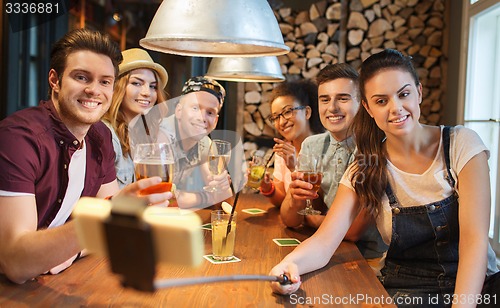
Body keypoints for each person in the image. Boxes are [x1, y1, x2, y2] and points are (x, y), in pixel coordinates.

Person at [270, 49, 499, 306]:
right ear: (367, 107)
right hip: (408, 289)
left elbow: (474, 242)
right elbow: (324, 242)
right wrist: (288, 264)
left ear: (419, 92)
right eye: (381, 101)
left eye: (403, 94)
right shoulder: (366, 165)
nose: (396, 108)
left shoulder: (460, 144)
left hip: (478, 286)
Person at [0, 29, 171, 284]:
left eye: (105, 81)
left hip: (47, 283)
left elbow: (114, 230)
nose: (94, 90)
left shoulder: (99, 136)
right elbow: (15, 261)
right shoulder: (18, 138)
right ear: (54, 80)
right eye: (82, 77)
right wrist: (107, 217)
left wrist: (73, 249)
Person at [280, 63, 360, 230]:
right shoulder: (312, 145)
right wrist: (295, 199)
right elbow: (289, 220)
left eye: (343, 98)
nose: (332, 108)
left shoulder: (372, 149)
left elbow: (353, 231)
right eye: (325, 100)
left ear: (361, 103)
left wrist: (312, 220)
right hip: (325, 246)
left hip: (367, 254)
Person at [157, 76, 235, 209]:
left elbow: (225, 204)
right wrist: (205, 197)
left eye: (210, 112)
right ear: (179, 111)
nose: (202, 118)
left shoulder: (205, 144)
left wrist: (222, 186)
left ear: (215, 121)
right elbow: (160, 200)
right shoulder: (161, 137)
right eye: (195, 108)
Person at [102, 48, 169, 189]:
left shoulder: (142, 134)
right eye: (137, 83)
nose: (147, 93)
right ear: (118, 87)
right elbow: (109, 204)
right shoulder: (106, 134)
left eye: (153, 86)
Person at [259, 80, 324, 207]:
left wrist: (295, 168)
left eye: (288, 111)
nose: (281, 122)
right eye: (276, 117)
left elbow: (319, 206)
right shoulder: (284, 151)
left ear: (307, 112)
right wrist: (267, 187)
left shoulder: (327, 148)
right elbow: (284, 202)